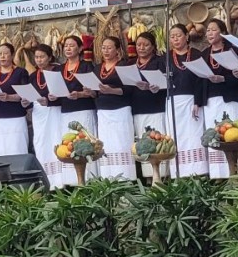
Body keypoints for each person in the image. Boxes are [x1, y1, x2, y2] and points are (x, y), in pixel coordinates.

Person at [201, 19, 238, 179]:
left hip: (230, 98)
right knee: (216, 135)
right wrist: (198, 102)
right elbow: (200, 79)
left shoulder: (232, 50)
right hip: (211, 101)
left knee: (232, 132)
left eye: (213, 30)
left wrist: (224, 79)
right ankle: (219, 176)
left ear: (222, 32)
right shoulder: (205, 53)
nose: (209, 33)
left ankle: (236, 170)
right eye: (207, 30)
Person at [165, 24, 208, 177]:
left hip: (191, 100)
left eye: (178, 35)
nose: (175, 39)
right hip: (173, 102)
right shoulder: (167, 57)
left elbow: (201, 80)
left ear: (186, 36)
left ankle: (198, 171)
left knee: (193, 135)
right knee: (176, 135)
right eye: (172, 36)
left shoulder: (196, 54)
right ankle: (178, 172)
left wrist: (197, 101)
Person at [59, 35, 99, 180]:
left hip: (84, 109)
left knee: (85, 142)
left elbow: (94, 91)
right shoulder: (60, 68)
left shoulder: (86, 66)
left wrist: (81, 94)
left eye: (72, 45)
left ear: (80, 48)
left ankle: (90, 178)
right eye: (66, 46)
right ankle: (72, 180)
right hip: (66, 111)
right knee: (68, 143)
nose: (68, 49)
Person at [95, 36, 135, 179]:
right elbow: (95, 90)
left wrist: (111, 90)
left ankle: (126, 177)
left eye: (109, 47)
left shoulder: (124, 65)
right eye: (103, 47)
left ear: (117, 50)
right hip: (103, 111)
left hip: (120, 109)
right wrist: (89, 91)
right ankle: (108, 177)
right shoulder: (98, 68)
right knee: (107, 144)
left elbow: (130, 89)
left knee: (121, 143)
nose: (106, 50)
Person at [131, 31, 167, 179]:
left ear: (153, 47)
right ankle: (148, 177)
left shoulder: (160, 62)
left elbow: (167, 83)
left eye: (146, 45)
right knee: (143, 141)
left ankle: (162, 175)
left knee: (158, 140)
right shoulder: (131, 64)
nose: (142, 48)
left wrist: (157, 86)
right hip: (138, 108)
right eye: (139, 45)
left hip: (156, 107)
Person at [26, 44, 63, 188]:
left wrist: (50, 100)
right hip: (39, 113)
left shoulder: (57, 71)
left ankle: (61, 181)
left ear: (49, 57)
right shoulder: (34, 76)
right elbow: (30, 95)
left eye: (42, 57)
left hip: (54, 111)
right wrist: (26, 100)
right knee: (41, 143)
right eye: (36, 57)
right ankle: (46, 182)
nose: (39, 60)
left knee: (56, 139)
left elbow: (63, 92)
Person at [0, 43, 30, 155]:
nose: (2, 56)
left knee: (17, 149)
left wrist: (9, 97)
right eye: (0, 54)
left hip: (15, 118)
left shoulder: (20, 72)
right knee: (0, 150)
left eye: (5, 53)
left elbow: (26, 94)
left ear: (12, 55)